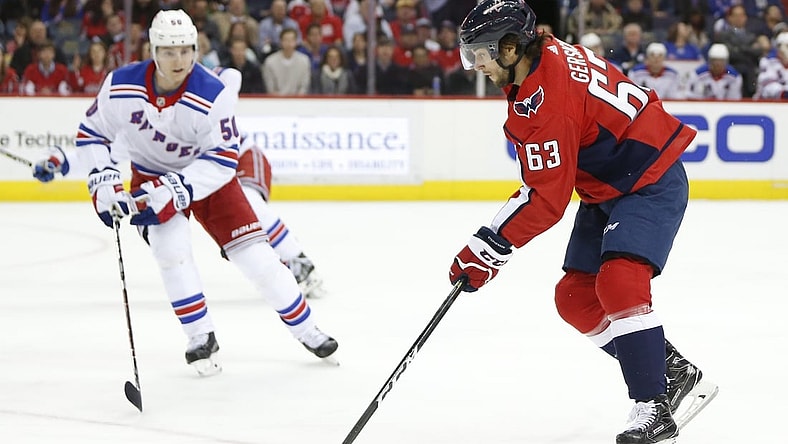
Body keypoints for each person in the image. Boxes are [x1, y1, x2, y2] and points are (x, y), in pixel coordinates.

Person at [449, 1, 718, 443]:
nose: (475, 64)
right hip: (609, 187)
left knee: (619, 282)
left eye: (481, 52)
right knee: (574, 297)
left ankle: (653, 403)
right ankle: (670, 368)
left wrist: (488, 247)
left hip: (648, 179)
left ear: (512, 48)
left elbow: (546, 199)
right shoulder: (546, 53)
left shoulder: (547, 101)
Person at [63, 9, 338, 376]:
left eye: (186, 50)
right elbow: (93, 134)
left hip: (209, 180)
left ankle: (308, 330)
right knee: (170, 252)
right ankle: (199, 336)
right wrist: (102, 181)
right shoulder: (120, 85)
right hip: (150, 176)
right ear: (154, 50)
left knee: (258, 258)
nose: (179, 60)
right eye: (170, 51)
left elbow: (223, 161)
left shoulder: (213, 92)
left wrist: (178, 188)